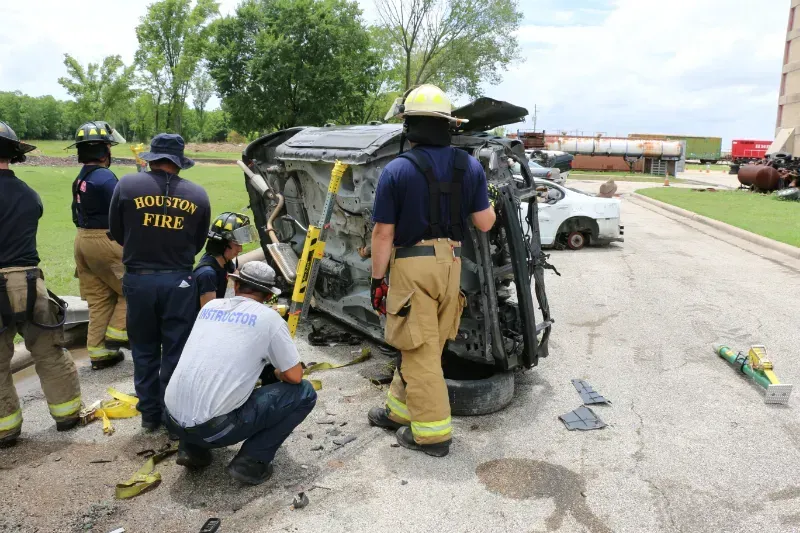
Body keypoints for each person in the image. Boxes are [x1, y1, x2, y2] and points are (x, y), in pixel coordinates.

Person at [366, 84, 496, 457]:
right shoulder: (469, 166)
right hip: (450, 265)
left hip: (413, 266)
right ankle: (398, 410)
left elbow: (383, 233)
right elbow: (485, 223)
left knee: (419, 349)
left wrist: (378, 279)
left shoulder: (397, 170)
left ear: (409, 126)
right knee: (425, 345)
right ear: (447, 125)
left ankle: (433, 435)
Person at [164, 261, 316, 485]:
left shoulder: (210, 307)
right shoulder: (270, 320)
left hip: (172, 419)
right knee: (305, 393)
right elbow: (295, 376)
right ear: (267, 296)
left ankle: (192, 450)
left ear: (235, 286)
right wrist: (276, 372)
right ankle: (251, 463)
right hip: (214, 429)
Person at [109, 134, 211, 431]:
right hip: (178, 279)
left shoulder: (127, 185)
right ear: (179, 162)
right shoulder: (198, 195)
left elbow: (116, 230)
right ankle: (174, 414)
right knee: (177, 349)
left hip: (139, 279)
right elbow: (198, 241)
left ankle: (150, 415)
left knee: (143, 349)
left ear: (152, 157)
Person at [0, 121, 82, 446]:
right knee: (49, 351)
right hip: (31, 283)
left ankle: (5, 430)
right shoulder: (29, 195)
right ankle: (67, 414)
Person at [68, 121, 129, 369]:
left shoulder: (80, 177)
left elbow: (75, 213)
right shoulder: (105, 177)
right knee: (132, 287)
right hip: (105, 239)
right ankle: (117, 334)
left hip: (82, 240)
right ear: (105, 150)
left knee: (99, 299)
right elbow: (123, 209)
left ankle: (98, 352)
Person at [195, 212, 258, 310]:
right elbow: (208, 315)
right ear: (222, 244)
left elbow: (241, 280)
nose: (240, 249)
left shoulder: (225, 262)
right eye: (237, 244)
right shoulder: (208, 275)